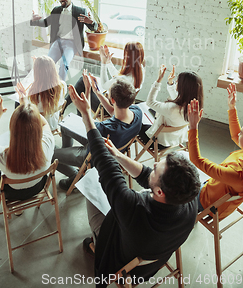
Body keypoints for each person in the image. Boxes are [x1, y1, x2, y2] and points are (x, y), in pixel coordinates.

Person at [68, 84, 200, 287]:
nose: (153, 164)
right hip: (151, 262)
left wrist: (86, 114)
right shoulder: (190, 204)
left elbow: (107, 170)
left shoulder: (133, 208)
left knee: (92, 183)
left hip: (119, 254)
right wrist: (120, 155)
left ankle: (95, 240)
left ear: (159, 192)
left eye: (157, 169)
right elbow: (147, 175)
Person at [54, 73, 143, 191]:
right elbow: (114, 111)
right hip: (111, 146)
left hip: (91, 156)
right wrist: (97, 92)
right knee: (65, 127)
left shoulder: (105, 128)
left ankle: (75, 175)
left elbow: (87, 117)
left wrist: (87, 89)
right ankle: (66, 156)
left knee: (51, 154)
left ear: (112, 99)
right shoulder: (137, 111)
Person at [188, 83, 243, 220]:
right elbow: (235, 136)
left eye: (242, 133)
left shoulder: (238, 174)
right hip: (216, 195)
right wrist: (232, 107)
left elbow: (196, 160)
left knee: (177, 168)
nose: (238, 134)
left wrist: (193, 127)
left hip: (206, 202)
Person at [0, 95, 54, 201]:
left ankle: (17, 209)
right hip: (37, 186)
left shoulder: (1, 155)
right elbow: (44, 123)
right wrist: (26, 106)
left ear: (13, 130)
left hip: (11, 192)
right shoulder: (48, 143)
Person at [30, 0, 98, 80]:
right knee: (47, 63)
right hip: (58, 42)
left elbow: (94, 28)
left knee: (64, 63)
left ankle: (60, 88)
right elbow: (45, 23)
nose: (62, 0)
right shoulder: (56, 10)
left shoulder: (80, 11)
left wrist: (92, 22)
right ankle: (47, 85)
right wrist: (33, 21)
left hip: (71, 44)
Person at [64, 42, 144, 115]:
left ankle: (64, 106)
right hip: (123, 108)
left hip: (107, 108)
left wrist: (103, 62)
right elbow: (117, 77)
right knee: (84, 84)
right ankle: (68, 109)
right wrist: (108, 62)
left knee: (83, 85)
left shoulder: (122, 79)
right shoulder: (140, 72)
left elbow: (105, 84)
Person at [139, 64, 203, 150]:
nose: (176, 81)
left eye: (178, 81)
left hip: (157, 142)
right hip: (175, 139)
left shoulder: (171, 108)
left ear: (183, 87)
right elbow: (177, 99)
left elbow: (150, 102)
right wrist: (170, 83)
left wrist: (159, 80)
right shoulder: (194, 107)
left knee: (136, 119)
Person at [16, 56, 66, 131]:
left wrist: (24, 97)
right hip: (53, 123)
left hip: (38, 127)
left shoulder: (34, 93)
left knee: (18, 103)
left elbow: (28, 111)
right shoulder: (62, 85)